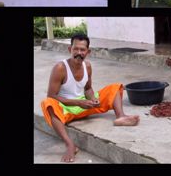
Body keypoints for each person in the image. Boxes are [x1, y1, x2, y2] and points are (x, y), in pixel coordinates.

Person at [41, 34, 140, 163]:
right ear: (69, 49)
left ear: (88, 51)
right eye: (75, 49)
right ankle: (70, 145)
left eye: (82, 50)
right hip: (66, 109)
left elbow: (87, 88)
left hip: (84, 105)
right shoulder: (60, 68)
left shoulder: (87, 66)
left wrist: (93, 99)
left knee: (115, 87)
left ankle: (120, 117)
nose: (78, 53)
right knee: (47, 103)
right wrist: (78, 102)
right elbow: (52, 95)